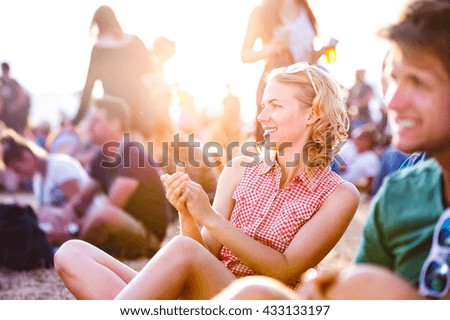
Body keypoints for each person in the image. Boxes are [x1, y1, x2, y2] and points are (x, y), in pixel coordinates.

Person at [54, 61, 359, 299]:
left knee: (181, 254)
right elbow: (202, 253)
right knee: (71, 253)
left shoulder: (339, 195)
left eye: (275, 106)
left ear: (312, 114)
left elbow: (284, 269)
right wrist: (188, 213)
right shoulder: (240, 167)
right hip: (205, 296)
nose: (262, 117)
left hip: (257, 301)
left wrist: (210, 218)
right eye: (263, 105)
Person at [213, 0, 450, 300]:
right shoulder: (398, 195)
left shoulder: (341, 193)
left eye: (417, 82)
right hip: (289, 86)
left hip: (304, 92)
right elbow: (361, 294)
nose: (392, 102)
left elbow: (287, 269)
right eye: (392, 80)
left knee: (251, 291)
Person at [73, 95, 169, 259]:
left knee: (104, 214)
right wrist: (64, 217)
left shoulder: (133, 153)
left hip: (148, 236)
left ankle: (74, 251)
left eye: (96, 121)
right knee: (61, 216)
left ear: (115, 123)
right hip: (118, 230)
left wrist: (72, 227)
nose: (89, 126)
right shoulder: (100, 156)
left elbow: (114, 205)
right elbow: (80, 202)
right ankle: (68, 246)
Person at [241, 0, 332, 141]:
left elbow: (307, 56)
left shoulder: (304, 8)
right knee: (273, 142)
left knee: (309, 141)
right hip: (279, 83)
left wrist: (321, 52)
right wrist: (271, 48)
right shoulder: (261, 11)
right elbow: (245, 55)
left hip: (306, 85)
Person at [0, 128, 96, 246]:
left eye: (18, 169)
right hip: (66, 229)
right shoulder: (38, 180)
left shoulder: (60, 165)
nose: (20, 175)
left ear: (27, 156)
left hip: (86, 224)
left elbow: (79, 206)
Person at [72, 5, 155, 138]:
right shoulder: (134, 42)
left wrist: (75, 121)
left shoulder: (99, 49)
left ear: (98, 25)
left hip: (113, 117)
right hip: (138, 113)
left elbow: (88, 89)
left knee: (115, 154)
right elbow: (151, 70)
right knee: (137, 153)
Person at [0, 62, 31, 135]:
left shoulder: (14, 83)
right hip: (3, 115)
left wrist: (14, 106)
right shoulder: (1, 81)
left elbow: (24, 95)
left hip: (13, 117)